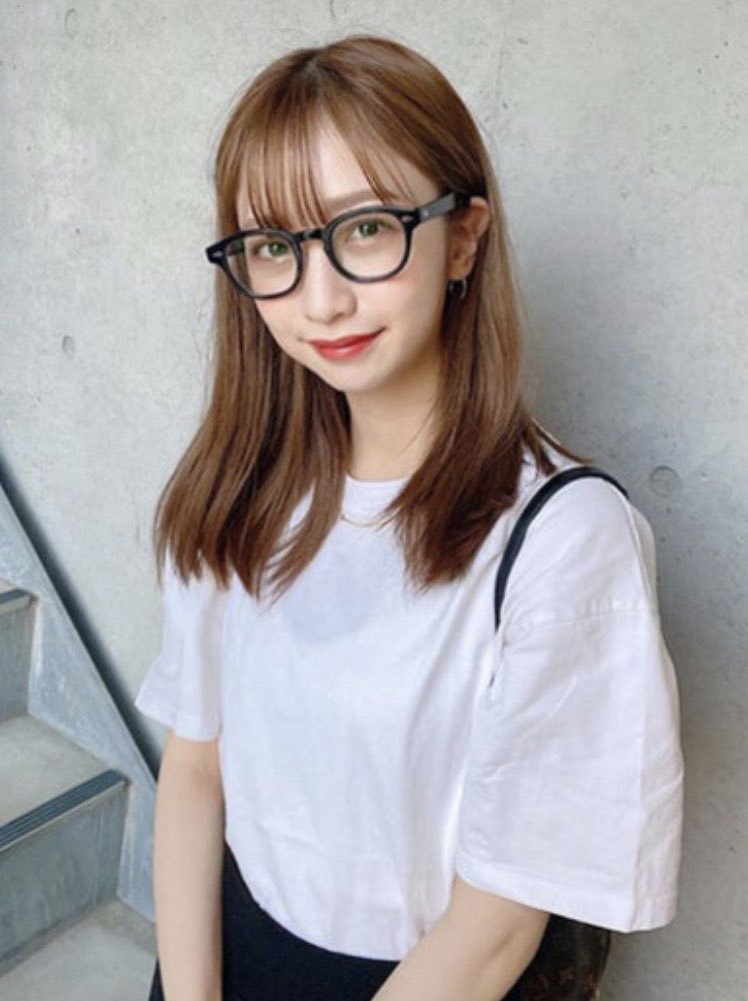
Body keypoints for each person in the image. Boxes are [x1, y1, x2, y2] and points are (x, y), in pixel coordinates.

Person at [134, 33, 684, 1001]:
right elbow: (195, 766)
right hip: (220, 954)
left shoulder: (563, 539)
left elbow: (496, 924)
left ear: (462, 235)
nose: (320, 299)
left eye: (365, 229)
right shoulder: (241, 486)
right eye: (275, 247)